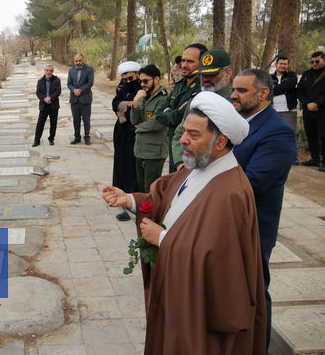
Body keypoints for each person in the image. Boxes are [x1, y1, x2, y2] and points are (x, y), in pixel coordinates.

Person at [102, 91, 266, 354]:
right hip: (179, 295)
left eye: (194, 135)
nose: (183, 140)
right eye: (184, 132)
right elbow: (167, 200)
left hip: (203, 318)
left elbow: (223, 263)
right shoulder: (197, 166)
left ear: (221, 141)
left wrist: (165, 240)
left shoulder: (230, 192)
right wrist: (131, 201)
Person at [231, 69, 297, 350]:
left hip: (252, 228)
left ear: (263, 93)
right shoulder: (235, 122)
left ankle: (258, 347)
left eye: (241, 90)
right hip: (226, 223)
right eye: (234, 89)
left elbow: (252, 183)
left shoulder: (278, 133)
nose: (233, 95)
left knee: (254, 294)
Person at [171, 48, 233, 171]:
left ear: (228, 73)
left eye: (212, 74)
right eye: (203, 74)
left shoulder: (236, 103)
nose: (205, 79)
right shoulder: (197, 102)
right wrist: (180, 163)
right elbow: (179, 133)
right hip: (193, 169)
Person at [156, 43, 207, 172]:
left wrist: (170, 113)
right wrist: (170, 114)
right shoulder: (180, 85)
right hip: (173, 144)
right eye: (183, 60)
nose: (184, 65)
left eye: (190, 61)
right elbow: (159, 114)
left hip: (189, 150)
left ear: (202, 63)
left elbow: (177, 117)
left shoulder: (202, 89)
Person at [111, 61, 142, 221]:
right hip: (121, 131)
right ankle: (117, 193)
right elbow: (114, 103)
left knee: (131, 165)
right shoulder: (123, 87)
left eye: (131, 79)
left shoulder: (141, 89)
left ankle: (129, 199)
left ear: (137, 75)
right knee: (119, 162)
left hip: (133, 132)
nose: (128, 82)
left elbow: (135, 110)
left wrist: (123, 107)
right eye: (125, 79)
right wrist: (126, 104)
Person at [130, 64, 168, 193]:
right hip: (140, 150)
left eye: (145, 81)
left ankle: (152, 214)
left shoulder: (163, 99)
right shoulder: (143, 97)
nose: (142, 84)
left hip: (154, 153)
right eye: (141, 81)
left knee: (151, 191)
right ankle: (142, 213)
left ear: (156, 79)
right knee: (141, 189)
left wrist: (138, 128)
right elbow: (134, 120)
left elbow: (156, 123)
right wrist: (135, 102)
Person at [297, 51, 325, 171]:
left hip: (322, 110)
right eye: (312, 61)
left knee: (323, 136)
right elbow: (299, 91)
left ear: (323, 60)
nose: (314, 63)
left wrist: (317, 103)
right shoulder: (307, 74)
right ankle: (315, 159)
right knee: (311, 135)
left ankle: (324, 162)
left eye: (317, 61)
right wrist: (307, 103)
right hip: (308, 111)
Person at [67, 53, 94, 145]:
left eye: (80, 60)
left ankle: (87, 137)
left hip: (85, 98)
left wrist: (80, 90)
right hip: (74, 99)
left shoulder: (89, 69)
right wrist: (74, 90)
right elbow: (69, 84)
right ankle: (77, 137)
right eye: (76, 61)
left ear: (83, 60)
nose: (78, 62)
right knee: (76, 119)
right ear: (74, 61)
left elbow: (90, 83)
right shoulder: (71, 70)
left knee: (86, 119)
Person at [33, 64, 61, 147]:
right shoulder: (40, 81)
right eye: (47, 70)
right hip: (43, 105)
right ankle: (37, 140)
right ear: (44, 71)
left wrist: (50, 98)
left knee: (53, 123)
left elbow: (58, 91)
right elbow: (38, 93)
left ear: (52, 71)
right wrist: (44, 99)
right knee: (40, 123)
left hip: (54, 105)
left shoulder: (57, 80)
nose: (49, 72)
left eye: (51, 70)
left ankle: (51, 139)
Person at [271, 55, 299, 130]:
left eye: (285, 64)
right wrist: (283, 88)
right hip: (273, 111)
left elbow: (289, 86)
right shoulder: (269, 78)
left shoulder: (292, 75)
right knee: (274, 134)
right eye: (281, 63)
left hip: (289, 111)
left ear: (288, 65)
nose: (283, 66)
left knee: (289, 135)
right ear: (276, 65)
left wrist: (272, 89)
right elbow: (265, 91)